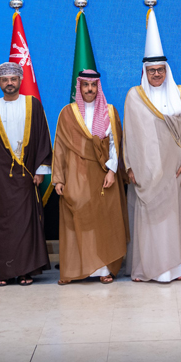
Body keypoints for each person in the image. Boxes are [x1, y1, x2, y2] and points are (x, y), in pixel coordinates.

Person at [123, 13, 181, 283]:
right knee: (151, 221)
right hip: (146, 173)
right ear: (144, 72)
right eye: (151, 71)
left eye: (160, 70)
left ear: (167, 70)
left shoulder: (179, 94)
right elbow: (128, 136)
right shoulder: (134, 96)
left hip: (174, 169)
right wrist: (130, 166)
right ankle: (149, 268)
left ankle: (175, 268)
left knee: (173, 220)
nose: (156, 75)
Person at [0, 62, 52, 285]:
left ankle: (25, 271)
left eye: (13, 79)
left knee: (26, 224)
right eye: (5, 80)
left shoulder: (33, 105)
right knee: (3, 226)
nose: (10, 83)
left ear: (20, 81)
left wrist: (40, 170)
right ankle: (3, 272)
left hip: (27, 178)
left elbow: (43, 137)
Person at [51, 69, 128, 284]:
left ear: (98, 87)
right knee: (77, 220)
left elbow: (115, 144)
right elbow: (59, 147)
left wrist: (112, 171)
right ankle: (77, 270)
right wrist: (58, 178)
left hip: (103, 175)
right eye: (85, 85)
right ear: (79, 87)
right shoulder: (67, 112)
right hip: (75, 175)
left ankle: (104, 270)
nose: (90, 89)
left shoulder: (109, 111)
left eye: (93, 85)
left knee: (103, 222)